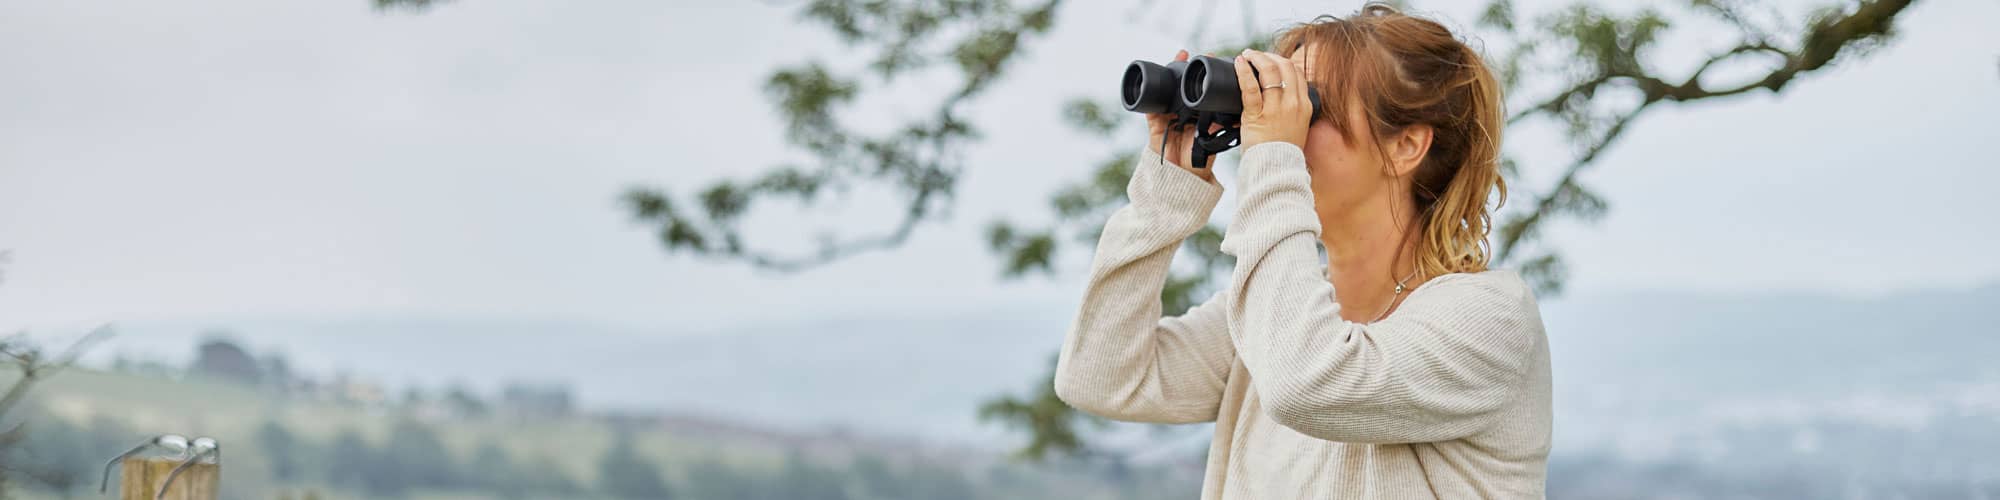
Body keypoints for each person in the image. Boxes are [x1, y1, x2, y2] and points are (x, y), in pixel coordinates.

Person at [1052, 4, 1551, 498]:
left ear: (1406, 146)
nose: (1273, 128)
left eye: (1309, 107)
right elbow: (1102, 377)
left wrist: (1273, 157)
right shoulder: (1270, 313)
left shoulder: (1490, 317)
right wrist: (1166, 195)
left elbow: (1304, 386)